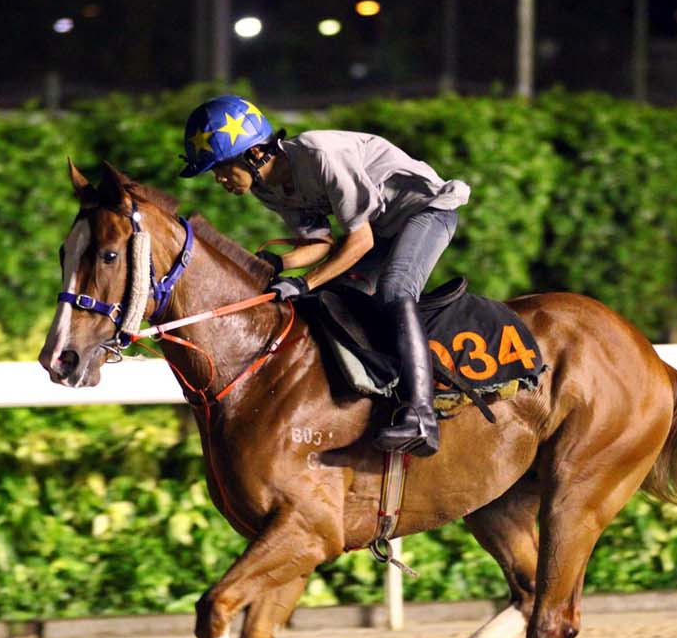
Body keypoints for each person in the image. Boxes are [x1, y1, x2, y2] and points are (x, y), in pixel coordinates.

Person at [179, 94, 470, 457]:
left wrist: (305, 281)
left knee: (395, 291)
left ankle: (422, 415)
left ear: (254, 154)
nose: (219, 178)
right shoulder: (267, 189)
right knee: (336, 299)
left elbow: (359, 242)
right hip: (379, 230)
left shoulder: (321, 156)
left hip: (427, 211)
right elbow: (321, 243)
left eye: (221, 167)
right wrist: (274, 265)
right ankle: (379, 395)